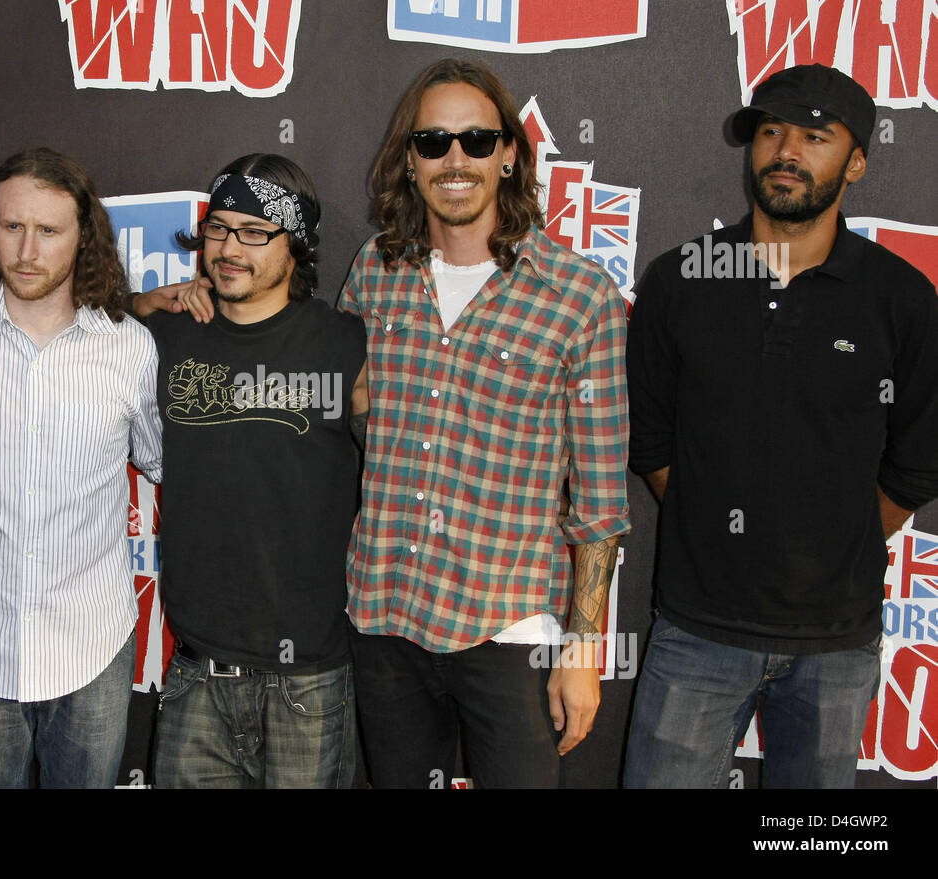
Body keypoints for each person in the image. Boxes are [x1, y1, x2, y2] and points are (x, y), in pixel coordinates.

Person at [624, 63, 938, 788]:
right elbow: (653, 443)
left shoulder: (902, 299)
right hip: (696, 630)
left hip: (838, 642)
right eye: (770, 132)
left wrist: (840, 535)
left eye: (814, 136)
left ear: (856, 161)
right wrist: (719, 522)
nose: (785, 151)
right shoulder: (679, 281)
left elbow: (920, 459)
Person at [338, 58, 629, 788]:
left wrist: (583, 648)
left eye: (476, 139)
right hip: (386, 613)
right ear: (410, 160)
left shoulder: (578, 294)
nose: (455, 159)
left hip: (507, 628)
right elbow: (351, 412)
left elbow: (599, 503)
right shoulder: (375, 270)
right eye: (433, 142)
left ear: (509, 154)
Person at [0, 148, 163, 788]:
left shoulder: (128, 348)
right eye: (12, 227)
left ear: (83, 235)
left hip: (94, 641)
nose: (27, 250)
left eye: (50, 230)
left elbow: (169, 461)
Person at [142, 154, 367, 788]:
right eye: (217, 227)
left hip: (309, 681)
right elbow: (66, 310)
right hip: (195, 674)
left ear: (294, 244)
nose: (228, 248)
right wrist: (138, 298)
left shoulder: (344, 344)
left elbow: (401, 467)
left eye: (254, 232)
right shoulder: (165, 334)